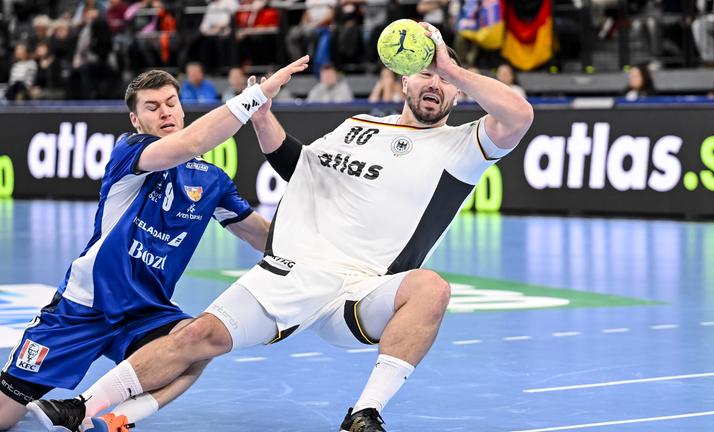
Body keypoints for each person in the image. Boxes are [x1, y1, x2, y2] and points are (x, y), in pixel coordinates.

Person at [29, 22, 532, 432]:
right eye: (426, 76)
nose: (436, 86)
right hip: (295, 269)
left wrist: (452, 66)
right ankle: (84, 408)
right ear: (403, 79)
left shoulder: (465, 146)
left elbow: (519, 115)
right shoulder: (358, 124)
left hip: (363, 289)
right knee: (199, 337)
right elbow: (299, 165)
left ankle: (364, 414)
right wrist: (263, 116)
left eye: (444, 82)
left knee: (432, 288)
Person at [4, 56, 310, 432]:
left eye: (171, 103)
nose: (165, 112)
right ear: (136, 120)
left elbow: (261, 236)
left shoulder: (211, 181)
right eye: (152, 107)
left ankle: (107, 417)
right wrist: (255, 95)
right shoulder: (129, 152)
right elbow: (193, 141)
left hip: (146, 312)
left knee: (200, 344)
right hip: (84, 307)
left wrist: (321, 253)